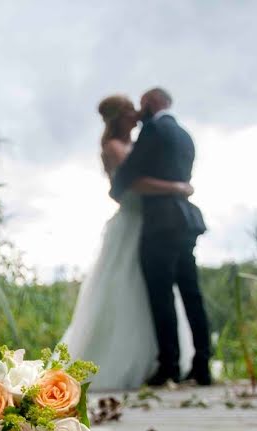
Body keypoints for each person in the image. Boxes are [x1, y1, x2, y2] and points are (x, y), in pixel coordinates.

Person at [60, 94, 195, 391]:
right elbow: (131, 183)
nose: (137, 114)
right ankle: (125, 364)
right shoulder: (114, 148)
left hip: (152, 222)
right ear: (120, 116)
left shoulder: (137, 144)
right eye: (131, 110)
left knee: (153, 295)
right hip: (132, 224)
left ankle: (161, 361)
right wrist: (177, 187)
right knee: (126, 291)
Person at [110, 88, 212, 386]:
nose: (140, 116)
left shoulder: (153, 130)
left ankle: (168, 364)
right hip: (186, 221)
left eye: (142, 108)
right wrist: (179, 187)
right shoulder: (185, 135)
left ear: (152, 104)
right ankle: (202, 364)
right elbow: (182, 179)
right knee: (192, 294)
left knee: (161, 295)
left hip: (159, 224)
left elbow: (124, 181)